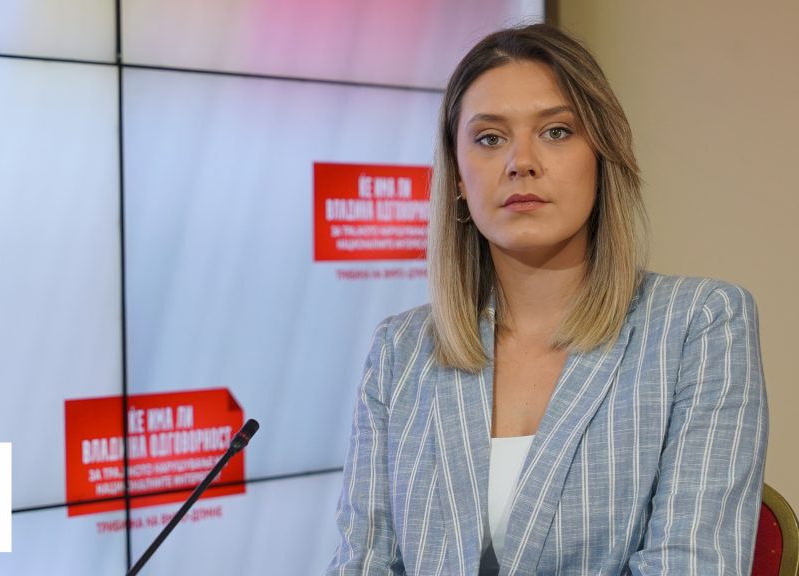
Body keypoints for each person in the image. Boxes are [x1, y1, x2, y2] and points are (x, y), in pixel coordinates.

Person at [326, 24, 767, 576]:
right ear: (458, 177)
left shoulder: (700, 324)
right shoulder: (401, 349)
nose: (521, 162)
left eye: (556, 131)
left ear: (601, 154)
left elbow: (693, 565)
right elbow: (363, 561)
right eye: (490, 138)